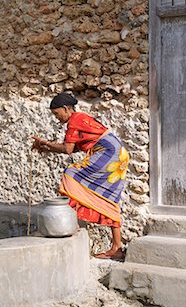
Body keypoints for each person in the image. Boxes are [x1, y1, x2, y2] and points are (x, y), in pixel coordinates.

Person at [32, 93, 129, 260]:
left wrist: (45, 143)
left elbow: (67, 150)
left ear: (66, 109)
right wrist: (46, 148)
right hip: (118, 154)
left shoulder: (74, 121)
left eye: (57, 114)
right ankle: (116, 247)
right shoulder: (80, 119)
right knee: (107, 197)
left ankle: (71, 222)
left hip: (109, 153)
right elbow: (74, 148)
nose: (57, 118)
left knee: (70, 175)